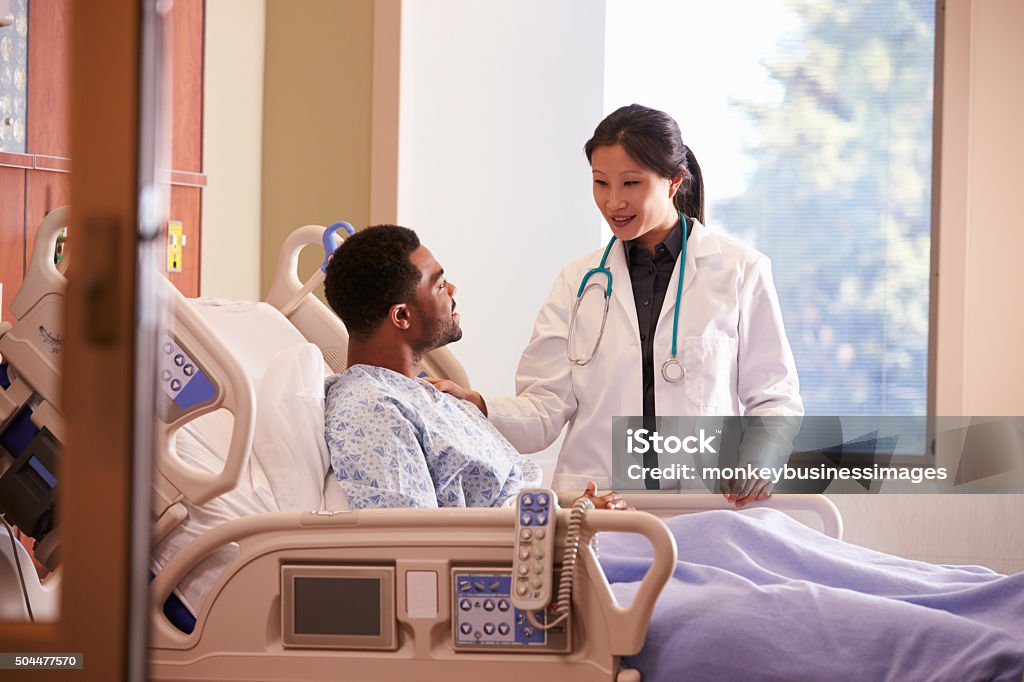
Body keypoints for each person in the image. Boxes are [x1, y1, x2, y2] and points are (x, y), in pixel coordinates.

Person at [433, 104, 803, 507]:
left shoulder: (740, 271)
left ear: (673, 181)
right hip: (598, 505)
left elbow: (773, 396)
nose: (613, 202)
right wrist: (480, 406)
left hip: (705, 503)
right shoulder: (578, 282)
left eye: (630, 183)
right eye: (600, 183)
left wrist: (758, 463)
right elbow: (543, 410)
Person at [322, 224, 628, 511]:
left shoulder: (419, 392)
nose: (453, 289)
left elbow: (501, 501)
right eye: (440, 285)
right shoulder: (373, 411)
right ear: (402, 316)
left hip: (540, 536)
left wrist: (568, 512)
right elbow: (414, 538)